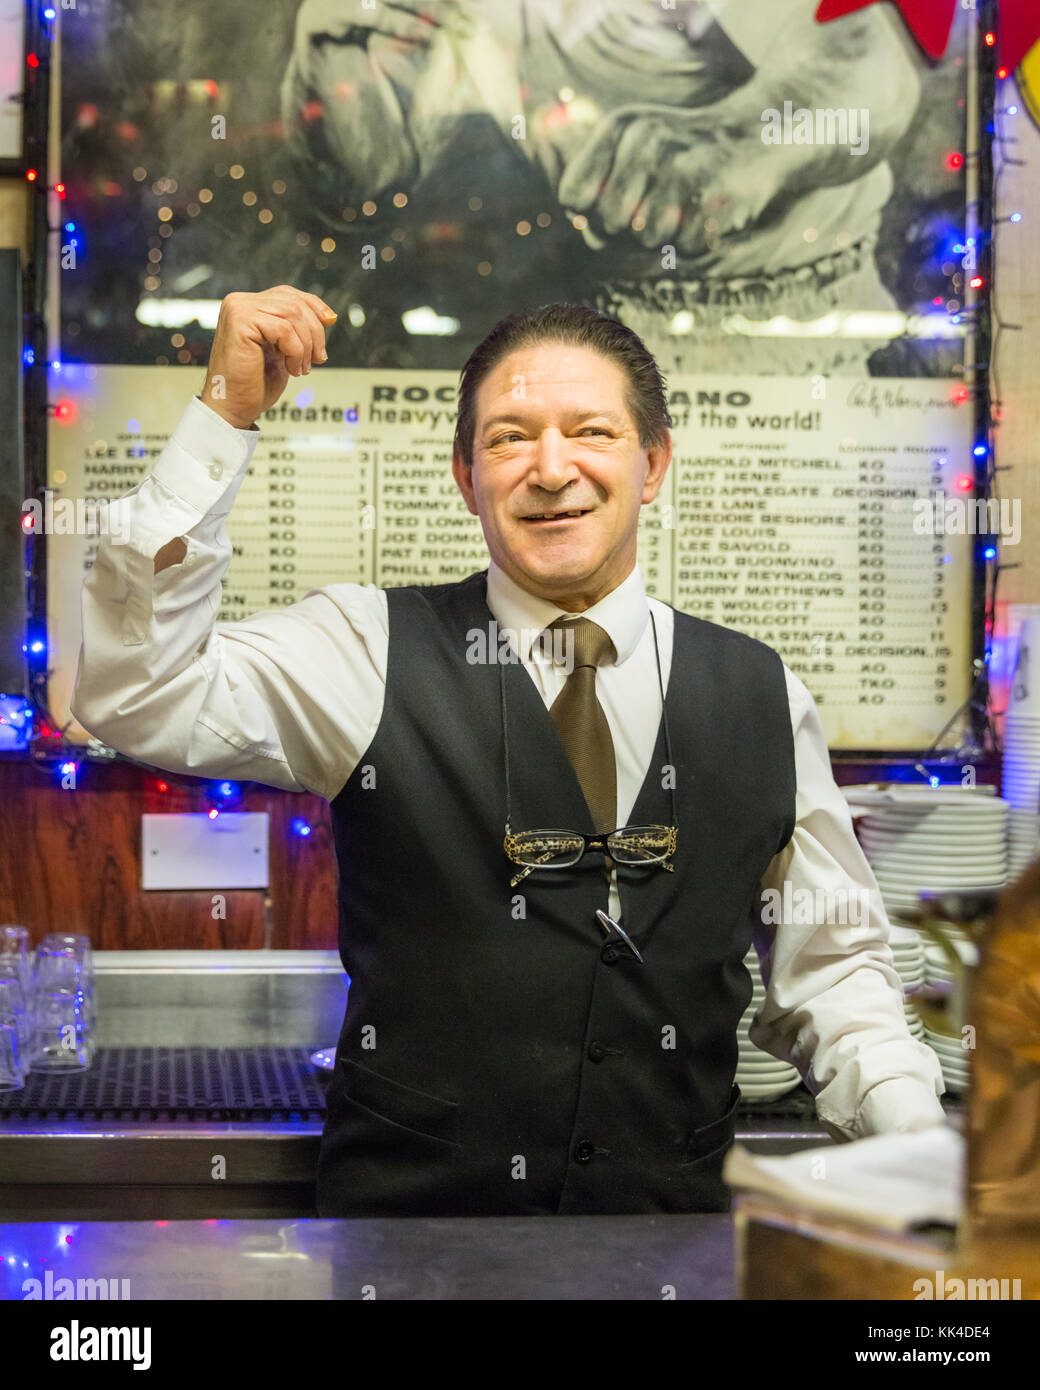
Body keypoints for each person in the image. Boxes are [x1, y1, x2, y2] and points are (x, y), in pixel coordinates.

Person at [70, 285, 946, 1217]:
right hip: (410, 1256)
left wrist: (919, 1147)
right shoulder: (365, 650)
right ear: (465, 477)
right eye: (509, 437)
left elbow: (838, 971)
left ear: (653, 465)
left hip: (667, 1255)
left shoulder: (762, 694)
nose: (551, 468)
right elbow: (138, 691)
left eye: (592, 433)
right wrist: (223, 417)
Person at [280, 0, 922, 375]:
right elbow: (374, 180)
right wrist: (332, 60)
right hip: (572, 347)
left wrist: (734, 145)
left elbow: (868, 67)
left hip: (778, 337)